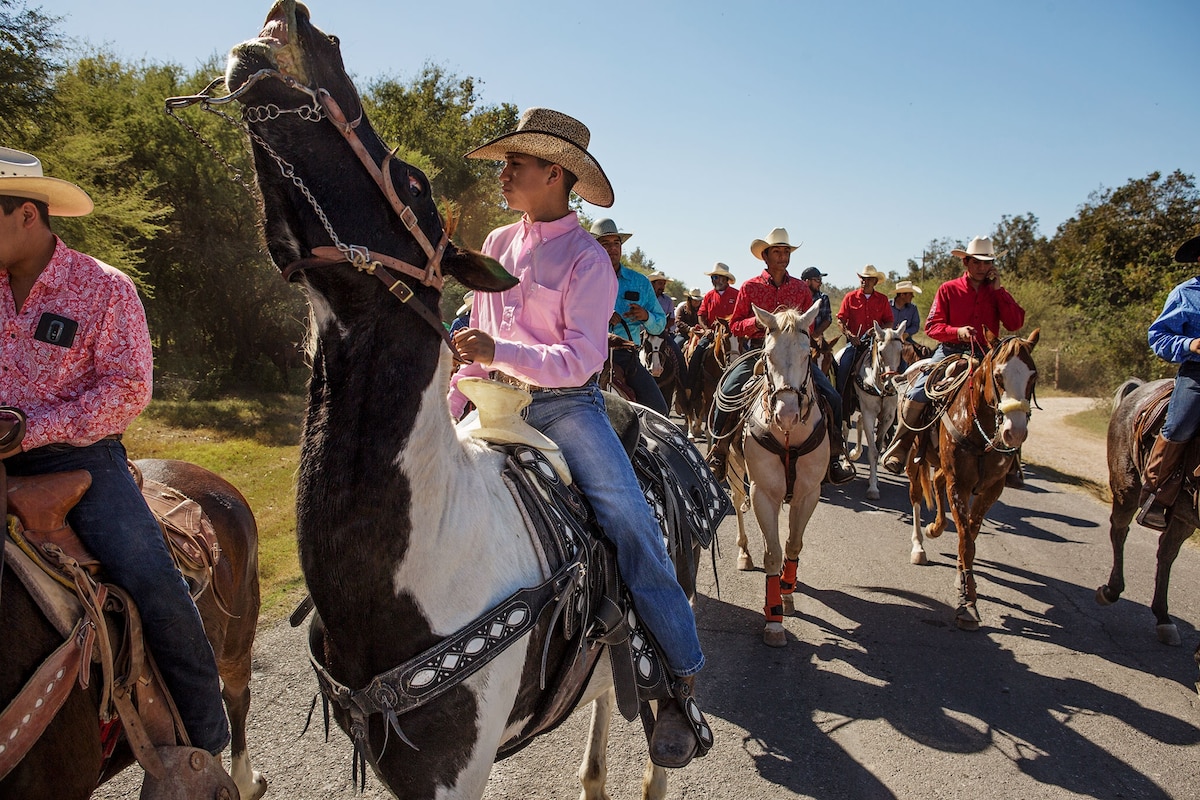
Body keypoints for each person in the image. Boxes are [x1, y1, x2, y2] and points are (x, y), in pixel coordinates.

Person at [447, 108, 706, 767]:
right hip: (489, 400)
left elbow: (580, 360)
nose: (503, 175)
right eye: (504, 164)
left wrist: (498, 349)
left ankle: (678, 685)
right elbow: (472, 350)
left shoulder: (589, 260)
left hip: (564, 408)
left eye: (516, 165)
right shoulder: (498, 246)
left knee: (628, 519)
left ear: (553, 174)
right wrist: (451, 408)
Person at [0, 146, 230, 754]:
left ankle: (206, 756)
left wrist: (31, 426)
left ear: (26, 213)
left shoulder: (102, 288)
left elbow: (127, 390)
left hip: (79, 462)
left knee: (154, 584)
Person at [706, 227, 856, 485]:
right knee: (727, 392)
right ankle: (718, 452)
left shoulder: (800, 289)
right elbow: (736, 325)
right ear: (765, 255)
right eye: (777, 251)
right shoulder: (750, 287)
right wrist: (762, 323)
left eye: (786, 251)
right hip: (758, 351)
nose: (783, 256)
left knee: (832, 396)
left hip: (796, 354)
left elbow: (808, 327)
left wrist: (793, 330)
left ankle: (835, 454)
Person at [881, 236, 1026, 474]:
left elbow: (1015, 323)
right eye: (977, 262)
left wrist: (1000, 292)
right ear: (966, 262)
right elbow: (932, 327)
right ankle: (901, 445)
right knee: (918, 392)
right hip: (951, 351)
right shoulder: (948, 289)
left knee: (1015, 394)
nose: (982, 267)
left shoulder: (998, 293)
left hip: (987, 356)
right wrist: (956, 332)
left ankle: (1011, 460)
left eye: (987, 262)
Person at [1136, 234, 1200, 530]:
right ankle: (1155, 493)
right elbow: (1158, 337)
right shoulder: (1186, 294)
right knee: (1179, 424)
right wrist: (1190, 345)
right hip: (1197, 373)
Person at [589, 218, 669, 415]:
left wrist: (645, 316)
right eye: (605, 244)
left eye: (616, 243)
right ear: (595, 247)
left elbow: (659, 325)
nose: (613, 248)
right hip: (588, 355)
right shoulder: (582, 276)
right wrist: (601, 316)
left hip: (627, 357)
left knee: (659, 410)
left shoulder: (640, 282)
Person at [834, 264, 894, 412]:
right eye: (862, 278)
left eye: (868, 279)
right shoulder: (850, 298)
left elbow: (890, 321)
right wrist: (850, 335)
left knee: (898, 365)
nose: (864, 281)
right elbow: (840, 320)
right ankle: (842, 406)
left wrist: (879, 331)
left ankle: (895, 403)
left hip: (877, 343)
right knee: (843, 369)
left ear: (874, 281)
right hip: (856, 344)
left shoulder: (882, 299)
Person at [684, 263, 740, 395]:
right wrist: (706, 329)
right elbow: (701, 315)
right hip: (712, 334)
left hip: (732, 334)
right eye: (713, 277)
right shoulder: (709, 295)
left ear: (726, 279)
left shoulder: (737, 294)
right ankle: (691, 388)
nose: (714, 280)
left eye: (717, 277)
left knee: (746, 355)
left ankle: (746, 390)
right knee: (697, 354)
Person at [648, 270, 687, 386]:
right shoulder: (645, 298)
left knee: (678, 354)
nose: (662, 286)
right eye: (660, 283)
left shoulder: (668, 300)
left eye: (663, 284)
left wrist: (660, 328)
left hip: (663, 333)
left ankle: (684, 386)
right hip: (645, 333)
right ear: (653, 284)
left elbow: (671, 319)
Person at [801, 266, 833, 340]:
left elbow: (827, 319)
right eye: (818, 280)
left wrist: (815, 334)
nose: (820, 283)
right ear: (807, 282)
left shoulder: (823, 298)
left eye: (820, 280)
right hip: (798, 338)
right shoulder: (797, 298)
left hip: (817, 338)